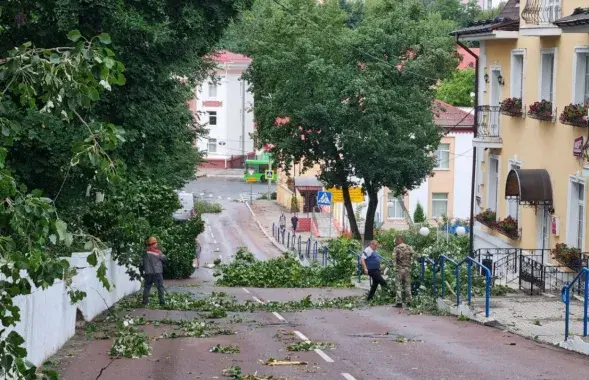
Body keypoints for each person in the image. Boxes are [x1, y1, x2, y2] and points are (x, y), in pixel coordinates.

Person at [142, 236, 167, 306]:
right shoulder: (158, 252)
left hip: (148, 273)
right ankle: (162, 302)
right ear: (153, 244)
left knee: (147, 287)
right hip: (157, 273)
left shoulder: (145, 252)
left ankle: (144, 302)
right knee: (160, 287)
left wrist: (142, 271)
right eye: (156, 243)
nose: (157, 244)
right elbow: (165, 259)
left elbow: (142, 263)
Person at [394, 235, 415, 308]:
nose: (396, 242)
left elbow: (394, 259)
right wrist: (410, 265)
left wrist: (395, 268)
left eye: (396, 241)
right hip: (407, 269)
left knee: (398, 285)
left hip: (399, 269)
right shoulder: (409, 247)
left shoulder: (396, 248)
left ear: (399, 240)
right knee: (407, 285)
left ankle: (399, 302)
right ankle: (409, 301)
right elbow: (413, 257)